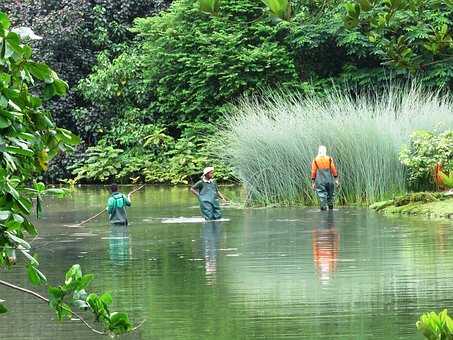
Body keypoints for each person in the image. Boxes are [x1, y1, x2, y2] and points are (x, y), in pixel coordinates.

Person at [311, 145, 339, 211]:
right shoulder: (329, 159)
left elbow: (313, 172)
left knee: (322, 196)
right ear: (325, 151)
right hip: (330, 180)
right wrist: (336, 179)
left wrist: (313, 182)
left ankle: (323, 212)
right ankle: (331, 211)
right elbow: (333, 169)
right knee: (331, 195)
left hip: (320, 181)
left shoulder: (315, 160)